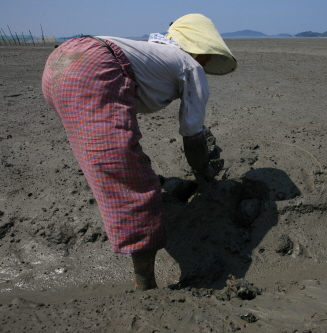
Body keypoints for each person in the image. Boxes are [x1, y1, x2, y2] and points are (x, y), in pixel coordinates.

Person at [41, 14, 237, 290]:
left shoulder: (153, 53)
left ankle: (169, 186)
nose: (204, 63)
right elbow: (193, 133)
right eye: (205, 57)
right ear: (201, 51)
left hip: (58, 65)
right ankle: (145, 285)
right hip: (93, 66)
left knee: (114, 158)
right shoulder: (190, 65)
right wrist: (205, 176)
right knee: (128, 175)